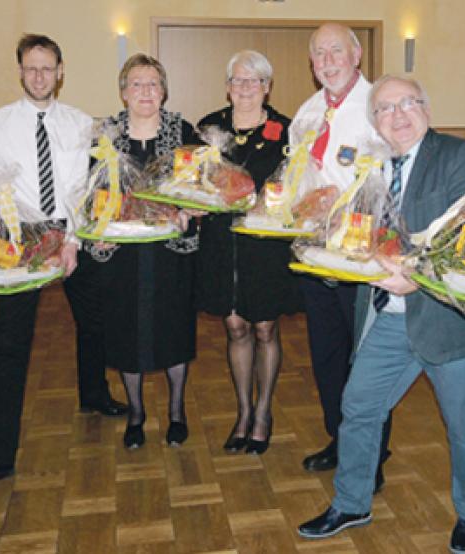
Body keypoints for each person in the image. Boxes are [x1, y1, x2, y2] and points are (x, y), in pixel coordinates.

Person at [297, 75, 465, 554]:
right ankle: (352, 501)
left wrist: (413, 276)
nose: (398, 115)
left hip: (448, 321)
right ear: (375, 122)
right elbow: (362, 235)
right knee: (359, 407)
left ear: (426, 108)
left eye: (407, 103)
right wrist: (331, 255)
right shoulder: (374, 167)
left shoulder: (461, 156)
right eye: (385, 109)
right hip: (390, 317)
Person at [0, 34, 126, 492]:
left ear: (61, 71)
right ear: (20, 71)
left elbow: (87, 190)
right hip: (19, 241)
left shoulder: (82, 123)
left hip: (70, 233)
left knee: (96, 319)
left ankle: (94, 393)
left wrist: (72, 241)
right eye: (31, 68)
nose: (39, 76)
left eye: (47, 68)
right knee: (9, 347)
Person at [291, 22, 392, 479]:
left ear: (356, 56)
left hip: (361, 256)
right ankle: (339, 437)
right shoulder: (307, 113)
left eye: (336, 51)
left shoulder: (380, 107)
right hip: (314, 254)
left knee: (366, 360)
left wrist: (348, 204)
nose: (328, 61)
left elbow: (393, 183)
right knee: (327, 355)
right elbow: (298, 179)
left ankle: (372, 456)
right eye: (319, 54)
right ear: (312, 64)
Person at [196, 50, 302, 455]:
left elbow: (295, 186)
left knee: (264, 328)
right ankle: (242, 411)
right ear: (227, 87)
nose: (245, 88)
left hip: (264, 245)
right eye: (237, 80)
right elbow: (195, 181)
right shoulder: (208, 129)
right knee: (236, 326)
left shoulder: (286, 131)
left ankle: (263, 412)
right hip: (223, 243)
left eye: (254, 80)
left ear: (266, 87)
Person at [99, 54, 200, 451]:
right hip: (122, 251)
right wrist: (96, 232)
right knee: (127, 329)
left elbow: (199, 186)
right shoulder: (104, 135)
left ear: (164, 91)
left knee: (173, 327)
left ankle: (177, 411)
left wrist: (196, 207)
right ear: (123, 92)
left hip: (170, 252)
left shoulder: (183, 131)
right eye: (137, 84)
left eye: (153, 83)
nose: (146, 91)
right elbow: (90, 192)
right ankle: (136, 413)